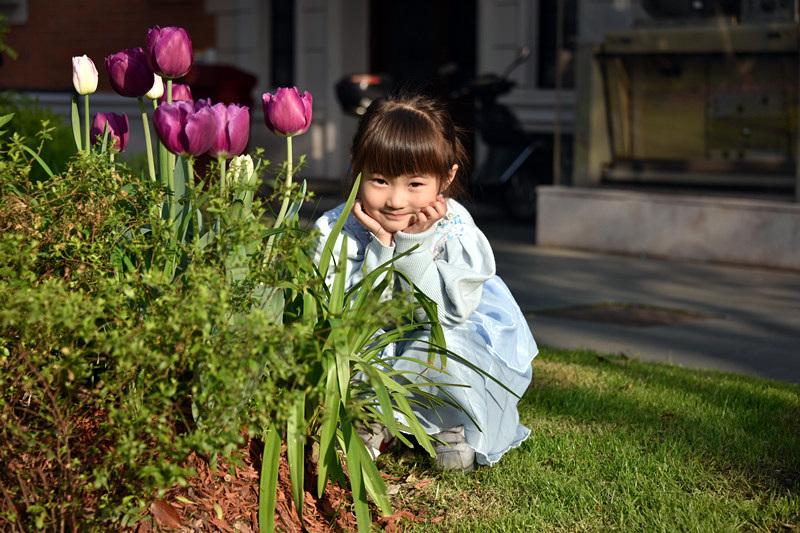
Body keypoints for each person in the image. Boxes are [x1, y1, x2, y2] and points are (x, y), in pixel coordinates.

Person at [312, 93, 537, 471]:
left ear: (446, 178)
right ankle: (371, 414)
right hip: (369, 337)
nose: (396, 200)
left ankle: (447, 421)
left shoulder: (456, 229)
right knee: (354, 344)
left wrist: (414, 247)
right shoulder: (337, 231)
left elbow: (440, 315)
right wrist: (381, 247)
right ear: (356, 165)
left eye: (415, 183)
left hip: (437, 333)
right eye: (380, 180)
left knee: (447, 345)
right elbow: (354, 316)